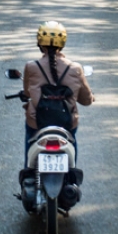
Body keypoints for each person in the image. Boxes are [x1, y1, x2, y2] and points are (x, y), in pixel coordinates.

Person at [22, 21, 93, 158]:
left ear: (40, 42)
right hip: (66, 123)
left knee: (31, 142)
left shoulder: (31, 66)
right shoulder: (75, 68)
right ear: (63, 43)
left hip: (37, 122)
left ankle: (29, 173)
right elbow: (86, 100)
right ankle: (71, 172)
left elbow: (26, 93)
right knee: (71, 140)